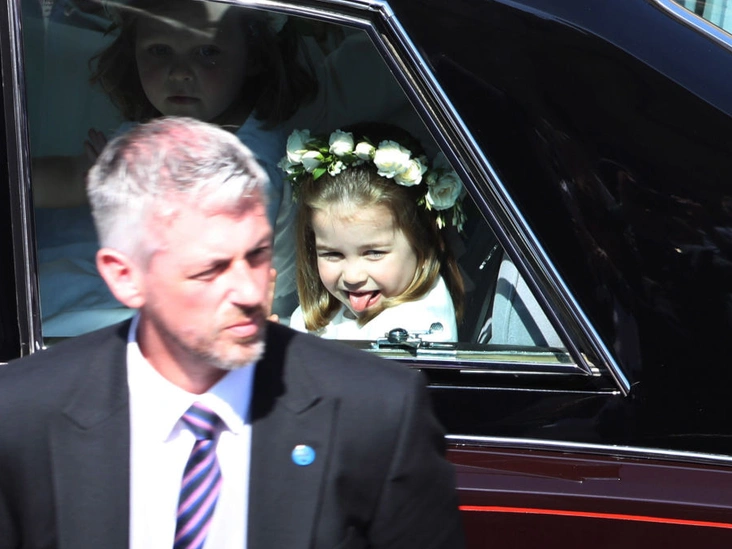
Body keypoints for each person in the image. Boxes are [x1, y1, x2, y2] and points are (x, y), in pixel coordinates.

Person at [0, 117, 464, 549]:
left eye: (258, 255)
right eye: (209, 269)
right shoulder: (20, 417)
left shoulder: (379, 411)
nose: (249, 291)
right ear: (125, 277)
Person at [33, 0, 316, 327]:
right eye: (160, 50)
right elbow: (73, 177)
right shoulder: (157, 134)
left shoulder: (253, 162)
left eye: (207, 52)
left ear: (253, 57)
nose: (179, 72)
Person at [284, 124, 465, 341]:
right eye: (332, 254)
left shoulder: (412, 328)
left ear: (425, 243)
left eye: (373, 253)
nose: (352, 276)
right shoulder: (325, 314)